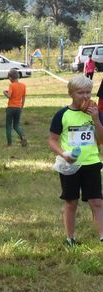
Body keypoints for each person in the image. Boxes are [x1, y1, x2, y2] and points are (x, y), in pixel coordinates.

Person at [48, 75, 103, 246]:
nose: (85, 96)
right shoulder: (62, 114)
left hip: (91, 163)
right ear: (71, 93)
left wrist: (96, 119)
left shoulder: (94, 113)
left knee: (97, 202)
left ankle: (102, 237)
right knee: (71, 202)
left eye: (88, 92)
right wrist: (63, 154)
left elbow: (101, 140)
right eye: (80, 92)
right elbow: (52, 140)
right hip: (70, 165)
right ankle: (70, 238)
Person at [3, 68, 27, 147]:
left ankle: (9, 144)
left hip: (11, 108)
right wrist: (21, 106)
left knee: (8, 126)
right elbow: (23, 97)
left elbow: (9, 96)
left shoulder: (11, 85)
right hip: (18, 108)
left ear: (10, 78)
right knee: (16, 125)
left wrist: (4, 92)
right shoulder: (23, 85)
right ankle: (22, 136)